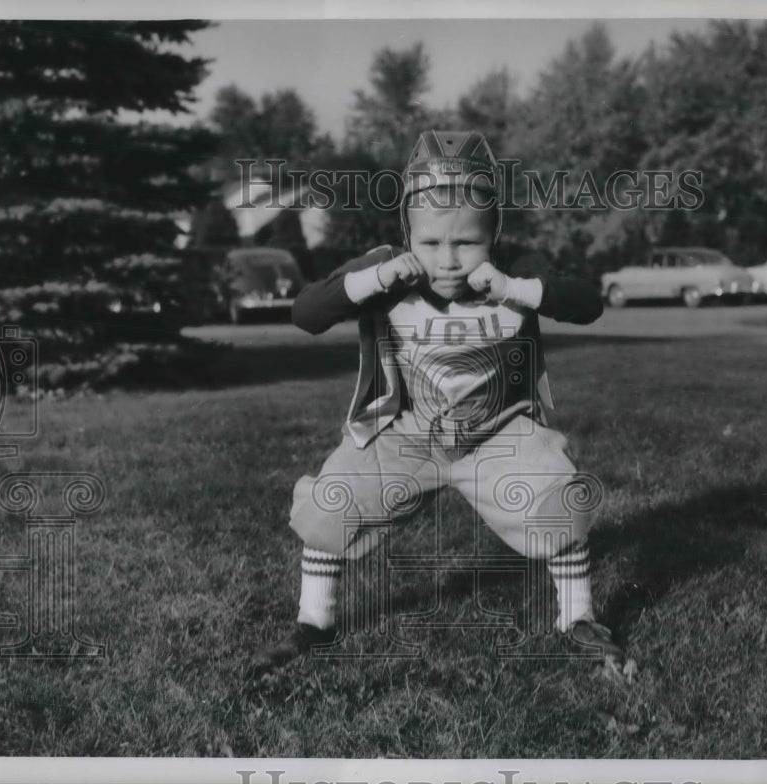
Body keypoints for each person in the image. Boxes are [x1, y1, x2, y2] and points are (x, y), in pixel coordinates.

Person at [250, 130, 624, 673]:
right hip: (407, 435)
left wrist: (516, 287)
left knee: (557, 501)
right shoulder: (387, 267)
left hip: (496, 434)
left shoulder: (517, 266)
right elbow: (306, 314)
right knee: (331, 505)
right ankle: (313, 621)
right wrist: (375, 277)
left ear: (494, 232)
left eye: (466, 243)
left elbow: (587, 304)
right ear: (407, 233)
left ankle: (579, 617)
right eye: (430, 244)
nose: (447, 261)